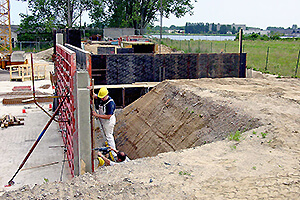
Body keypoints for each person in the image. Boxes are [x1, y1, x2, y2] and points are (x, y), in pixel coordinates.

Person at [89, 86, 117, 157]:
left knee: (109, 136)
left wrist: (97, 115)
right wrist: (91, 90)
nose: (101, 99)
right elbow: (94, 96)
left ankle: (113, 154)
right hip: (103, 120)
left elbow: (108, 116)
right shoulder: (102, 97)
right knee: (104, 134)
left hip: (108, 121)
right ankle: (107, 147)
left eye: (102, 97)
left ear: (106, 95)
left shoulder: (110, 103)